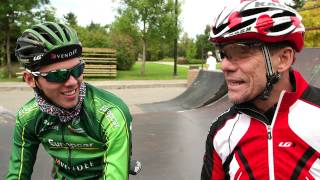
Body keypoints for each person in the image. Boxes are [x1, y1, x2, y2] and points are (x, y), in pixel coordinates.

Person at [201, 0, 320, 179]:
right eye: (224, 53)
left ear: (283, 59)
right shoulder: (221, 131)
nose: (225, 65)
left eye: (241, 51)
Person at [6, 21, 133, 180]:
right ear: (31, 79)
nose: (73, 82)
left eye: (77, 69)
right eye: (58, 74)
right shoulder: (27, 118)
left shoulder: (110, 113)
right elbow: (17, 174)